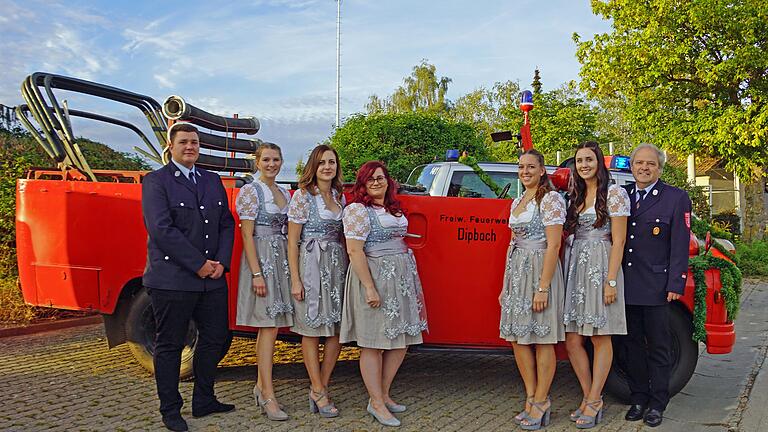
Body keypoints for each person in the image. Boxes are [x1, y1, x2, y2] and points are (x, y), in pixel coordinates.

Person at [142, 122, 235, 432]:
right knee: (169, 345)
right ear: (171, 146)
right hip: (173, 280)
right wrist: (199, 264)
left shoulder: (210, 180)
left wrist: (221, 262)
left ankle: (204, 400)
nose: (190, 147)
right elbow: (161, 229)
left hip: (212, 279)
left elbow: (225, 223)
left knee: (215, 338)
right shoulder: (156, 182)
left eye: (194, 142)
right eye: (183, 142)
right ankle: (170, 411)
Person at [340, 161, 428, 428]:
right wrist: (369, 287)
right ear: (363, 184)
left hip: (399, 279)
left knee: (400, 341)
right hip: (374, 277)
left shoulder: (393, 207)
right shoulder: (357, 210)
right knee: (373, 343)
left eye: (381, 177)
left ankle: (383, 394)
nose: (377, 182)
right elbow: (355, 251)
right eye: (371, 179)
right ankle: (376, 402)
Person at [621, 143, 692, 428]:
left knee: (660, 347)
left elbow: (680, 245)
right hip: (626, 284)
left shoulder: (675, 198)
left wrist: (676, 282)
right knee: (630, 346)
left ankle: (657, 403)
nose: (644, 168)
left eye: (650, 164)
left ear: (660, 168)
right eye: (639, 163)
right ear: (632, 166)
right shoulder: (622, 195)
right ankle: (638, 398)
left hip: (656, 285)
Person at [562, 141, 630, 429]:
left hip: (603, 266)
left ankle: (592, 399)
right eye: (579, 161)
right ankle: (592, 395)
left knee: (601, 336)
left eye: (589, 159)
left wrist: (611, 280)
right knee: (573, 339)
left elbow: (620, 240)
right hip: (578, 267)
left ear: (599, 163)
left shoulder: (614, 194)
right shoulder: (575, 194)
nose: (584, 165)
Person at [498, 149, 566, 431]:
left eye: (530, 167)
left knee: (542, 338)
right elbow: (511, 243)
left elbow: (554, 245)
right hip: (517, 272)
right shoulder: (518, 199)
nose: (525, 171)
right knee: (518, 338)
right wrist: (506, 285)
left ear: (541, 170)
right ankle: (530, 395)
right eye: (521, 167)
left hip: (540, 271)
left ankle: (542, 399)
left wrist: (543, 288)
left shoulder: (550, 199)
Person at [286, 144, 349, 418]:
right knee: (311, 329)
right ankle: (318, 389)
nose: (327, 167)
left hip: (336, 265)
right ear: (314, 165)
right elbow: (292, 241)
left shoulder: (340, 197)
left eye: (332, 162)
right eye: (322, 162)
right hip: (311, 263)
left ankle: (321, 386)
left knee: (335, 330)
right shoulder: (303, 197)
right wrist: (296, 279)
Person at [234, 143, 293, 421]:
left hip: (280, 258)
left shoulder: (284, 191)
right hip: (262, 260)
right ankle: (268, 395)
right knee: (267, 327)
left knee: (272, 328)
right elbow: (247, 236)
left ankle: (261, 386)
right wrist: (256, 273)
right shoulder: (250, 191)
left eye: (276, 159)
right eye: (266, 159)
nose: (272, 164)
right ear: (257, 162)